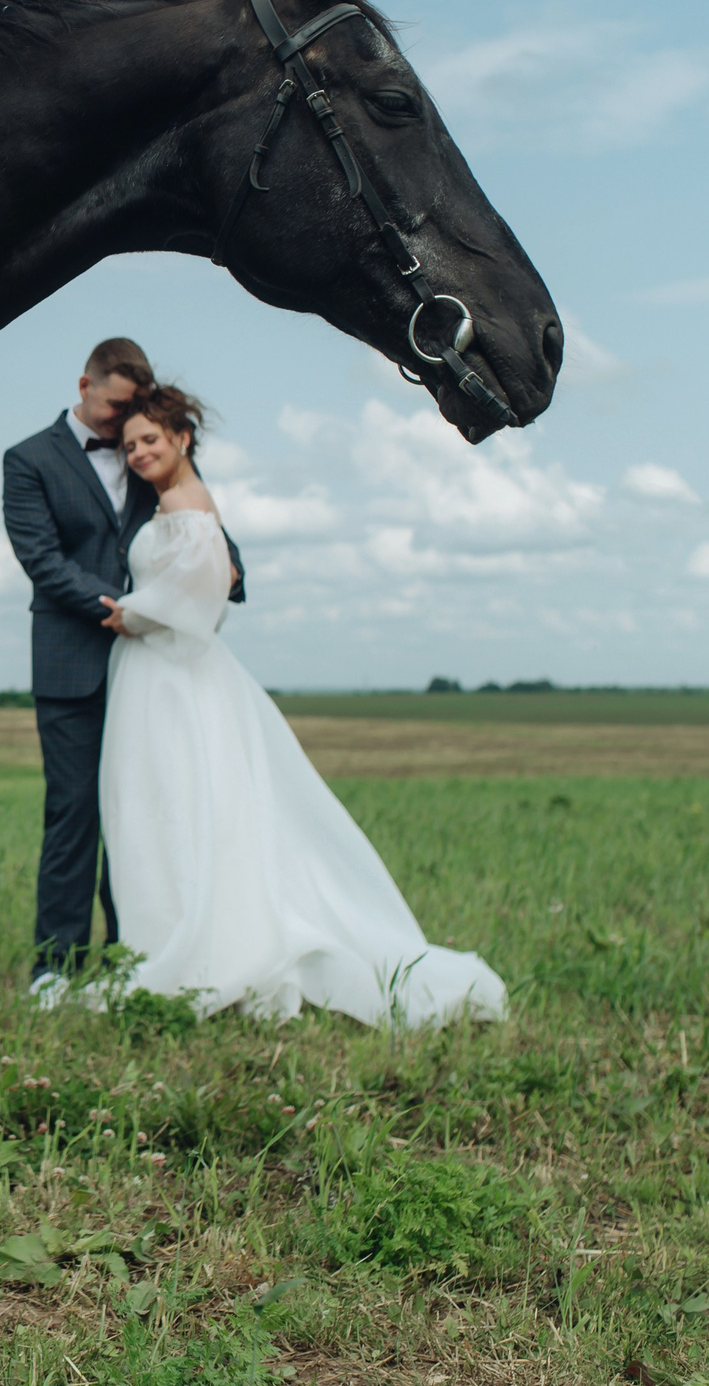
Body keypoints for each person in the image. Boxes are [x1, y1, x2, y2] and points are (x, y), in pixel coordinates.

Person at [93, 383, 506, 1027]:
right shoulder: (175, 499)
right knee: (164, 811)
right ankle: (171, 937)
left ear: (182, 438)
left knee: (183, 807)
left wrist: (134, 613)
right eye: (130, 446)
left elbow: (202, 595)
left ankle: (201, 950)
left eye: (150, 440)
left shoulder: (188, 503)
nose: (140, 453)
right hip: (158, 676)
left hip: (175, 675)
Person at [2, 340, 242, 1005]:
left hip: (155, 670)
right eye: (114, 409)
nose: (125, 432)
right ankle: (55, 963)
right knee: (73, 812)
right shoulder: (28, 460)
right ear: (84, 384)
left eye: (134, 416)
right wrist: (120, 608)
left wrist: (229, 569)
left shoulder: (146, 451)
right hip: (73, 662)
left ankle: (130, 953)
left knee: (141, 814)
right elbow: (42, 559)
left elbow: (193, 511)